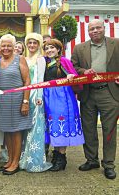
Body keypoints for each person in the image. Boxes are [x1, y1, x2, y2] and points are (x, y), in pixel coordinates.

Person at [71, 19, 119, 180]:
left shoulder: (116, 44)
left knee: (109, 130)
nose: (95, 31)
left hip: (110, 93)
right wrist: (84, 71)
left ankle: (109, 164)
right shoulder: (79, 48)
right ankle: (91, 160)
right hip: (88, 94)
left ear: (104, 28)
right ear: (88, 31)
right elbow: (73, 67)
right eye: (91, 29)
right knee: (89, 129)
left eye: (98, 28)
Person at [43, 39, 85, 171]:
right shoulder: (45, 62)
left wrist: (71, 78)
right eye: (47, 48)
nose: (49, 50)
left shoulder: (64, 61)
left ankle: (61, 158)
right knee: (53, 125)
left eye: (52, 48)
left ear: (58, 49)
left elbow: (75, 78)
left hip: (62, 97)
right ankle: (56, 156)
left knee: (61, 125)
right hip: (48, 96)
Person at [0, 34, 31, 175]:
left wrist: (25, 102)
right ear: (0, 46)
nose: (6, 48)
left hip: (17, 100)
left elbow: (27, 81)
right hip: (2, 102)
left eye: (9, 45)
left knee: (16, 131)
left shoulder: (19, 59)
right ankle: (9, 160)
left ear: (14, 47)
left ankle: (16, 162)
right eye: (3, 45)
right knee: (7, 132)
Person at [20, 32, 52, 172]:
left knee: (35, 127)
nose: (32, 45)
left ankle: (35, 161)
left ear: (39, 45)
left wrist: (39, 97)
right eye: (30, 42)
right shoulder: (24, 59)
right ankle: (24, 158)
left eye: (35, 43)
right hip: (23, 94)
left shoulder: (40, 59)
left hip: (35, 96)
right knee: (24, 127)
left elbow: (40, 79)